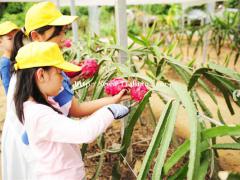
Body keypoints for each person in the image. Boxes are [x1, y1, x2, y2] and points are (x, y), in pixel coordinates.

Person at [1, 2, 129, 180]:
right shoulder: (38, 105)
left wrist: (67, 78)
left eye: (64, 32)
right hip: (39, 160)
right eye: (58, 32)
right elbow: (78, 115)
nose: (63, 38)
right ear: (37, 36)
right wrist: (112, 104)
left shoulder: (27, 70)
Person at [0, 21, 19, 94]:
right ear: (0, 42)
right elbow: (8, 87)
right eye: (10, 38)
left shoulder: (18, 57)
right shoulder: (5, 63)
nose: (15, 41)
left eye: (16, 37)